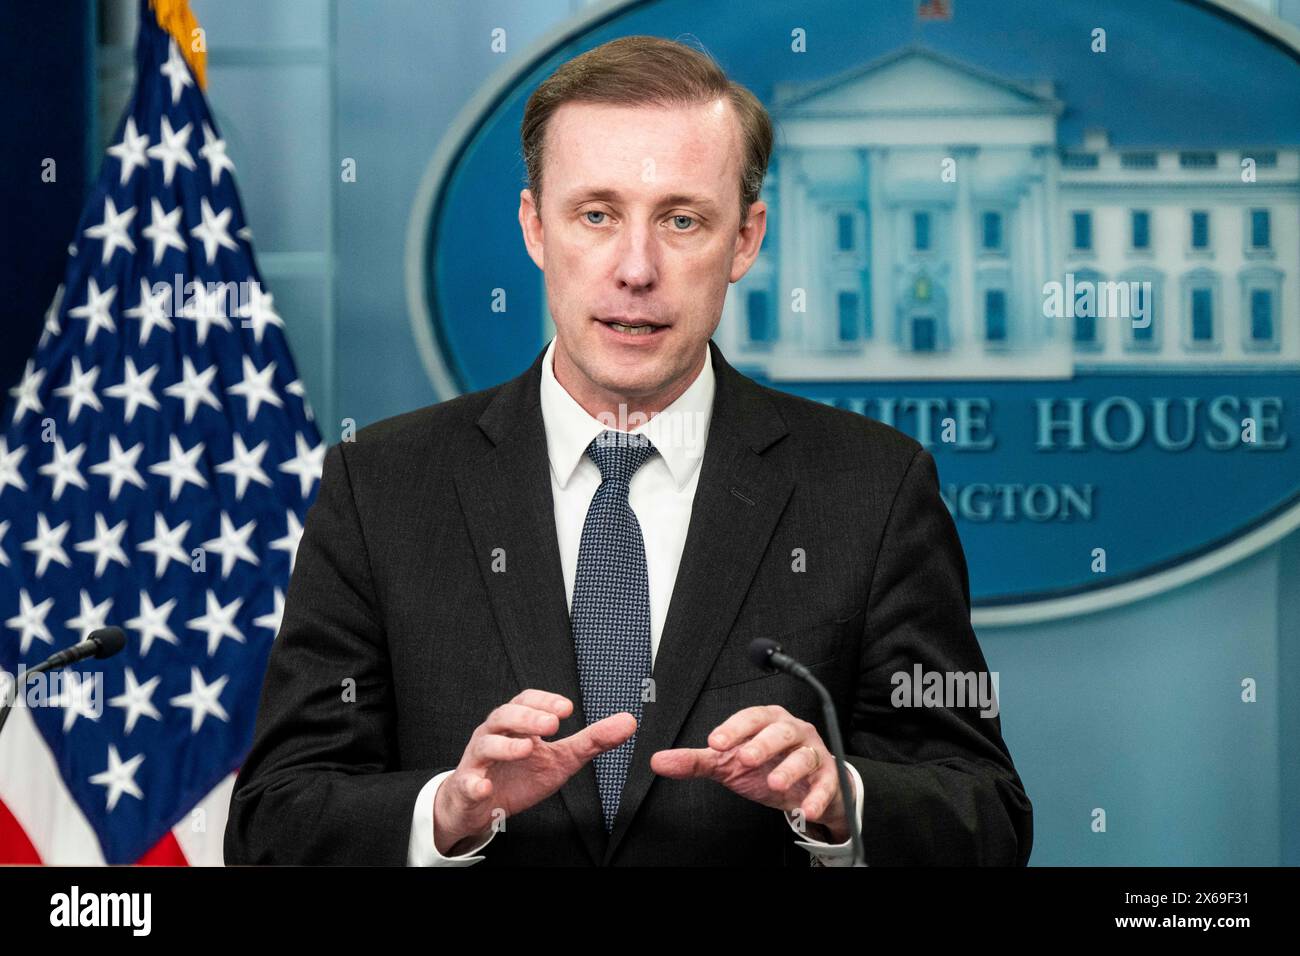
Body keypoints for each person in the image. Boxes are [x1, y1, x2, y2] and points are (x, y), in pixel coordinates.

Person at [223, 35, 1032, 867]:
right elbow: (271, 825)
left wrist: (838, 799)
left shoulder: (873, 489)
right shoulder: (383, 488)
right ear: (537, 228)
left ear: (746, 240)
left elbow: (988, 819)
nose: (636, 269)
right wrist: (446, 810)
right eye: (597, 215)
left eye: (682, 220)